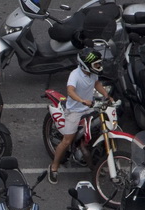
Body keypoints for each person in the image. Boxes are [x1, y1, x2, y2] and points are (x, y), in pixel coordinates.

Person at [48, 46, 111, 182]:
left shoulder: (92, 73)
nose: (99, 66)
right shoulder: (75, 75)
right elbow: (70, 91)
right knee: (67, 141)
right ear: (85, 65)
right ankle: (54, 167)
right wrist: (82, 101)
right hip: (75, 111)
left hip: (89, 108)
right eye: (96, 64)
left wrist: (106, 95)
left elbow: (96, 83)